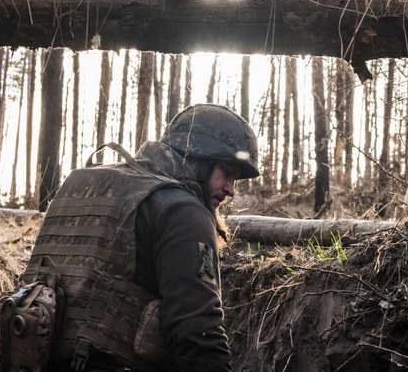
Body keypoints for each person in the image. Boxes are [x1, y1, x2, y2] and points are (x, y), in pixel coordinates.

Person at [17, 103, 260, 372]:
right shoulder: (183, 210)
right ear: (199, 160)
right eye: (226, 173)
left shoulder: (83, 187)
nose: (231, 190)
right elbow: (198, 332)